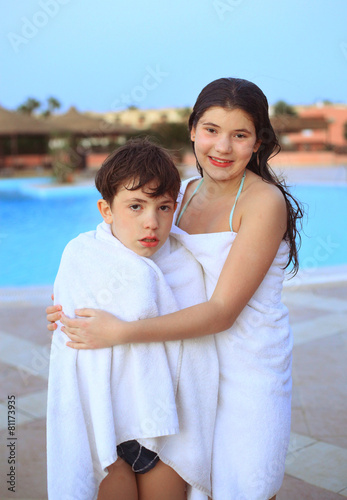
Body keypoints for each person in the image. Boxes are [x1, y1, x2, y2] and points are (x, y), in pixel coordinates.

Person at [47, 78, 303, 500]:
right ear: (192, 130)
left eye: (240, 135)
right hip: (189, 360)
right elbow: (140, 266)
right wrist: (73, 305)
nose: (222, 147)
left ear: (258, 143)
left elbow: (222, 311)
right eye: (211, 130)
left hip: (247, 364)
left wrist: (119, 332)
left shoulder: (263, 203)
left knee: (246, 484)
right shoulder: (180, 194)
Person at [46, 138, 219, 500]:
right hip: (107, 422)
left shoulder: (185, 263)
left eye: (164, 207)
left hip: (169, 430)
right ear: (106, 210)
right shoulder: (83, 255)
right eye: (135, 207)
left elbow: (196, 344)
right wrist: (61, 319)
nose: (151, 222)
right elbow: (69, 329)